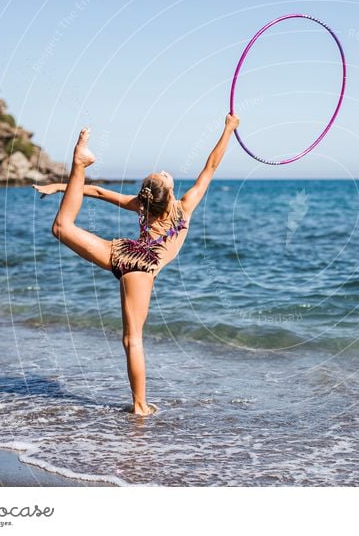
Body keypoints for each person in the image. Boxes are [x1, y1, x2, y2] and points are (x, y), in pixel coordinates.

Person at [33, 113, 240, 415]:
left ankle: (79, 164)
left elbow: (98, 191)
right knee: (133, 340)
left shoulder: (142, 205)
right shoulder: (183, 208)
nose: (166, 172)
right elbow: (211, 166)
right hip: (141, 266)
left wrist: (60, 186)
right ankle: (140, 405)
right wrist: (229, 129)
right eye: (164, 176)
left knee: (62, 228)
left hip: (122, 251)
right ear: (168, 194)